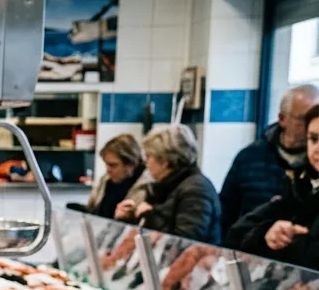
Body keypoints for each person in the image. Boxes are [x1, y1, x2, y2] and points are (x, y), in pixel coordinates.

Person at [219, 84, 319, 238]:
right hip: (250, 249)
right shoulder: (250, 157)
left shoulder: (311, 173)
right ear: (282, 119)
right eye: (304, 119)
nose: (310, 126)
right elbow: (226, 213)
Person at [226, 104, 319, 268]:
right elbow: (237, 234)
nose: (317, 149)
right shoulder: (298, 186)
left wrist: (293, 244)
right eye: (313, 139)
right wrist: (266, 234)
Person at [115, 125, 222, 243]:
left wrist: (149, 216)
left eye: (149, 157)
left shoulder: (196, 191)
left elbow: (185, 242)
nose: (146, 163)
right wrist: (129, 218)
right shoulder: (166, 186)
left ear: (165, 161)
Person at [85, 134, 150, 219]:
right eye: (106, 164)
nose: (108, 170)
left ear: (131, 164)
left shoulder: (147, 187)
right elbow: (92, 207)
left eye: (113, 165)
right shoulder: (105, 180)